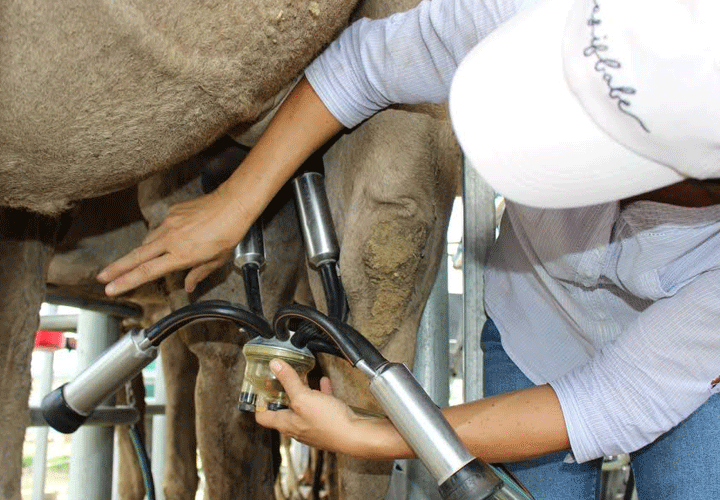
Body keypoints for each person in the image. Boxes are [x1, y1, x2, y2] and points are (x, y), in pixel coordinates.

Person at [97, 0, 720, 497]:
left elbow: (609, 402)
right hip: (537, 327)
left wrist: (375, 436)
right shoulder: (562, 15)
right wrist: (238, 201)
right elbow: (366, 63)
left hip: (694, 382)